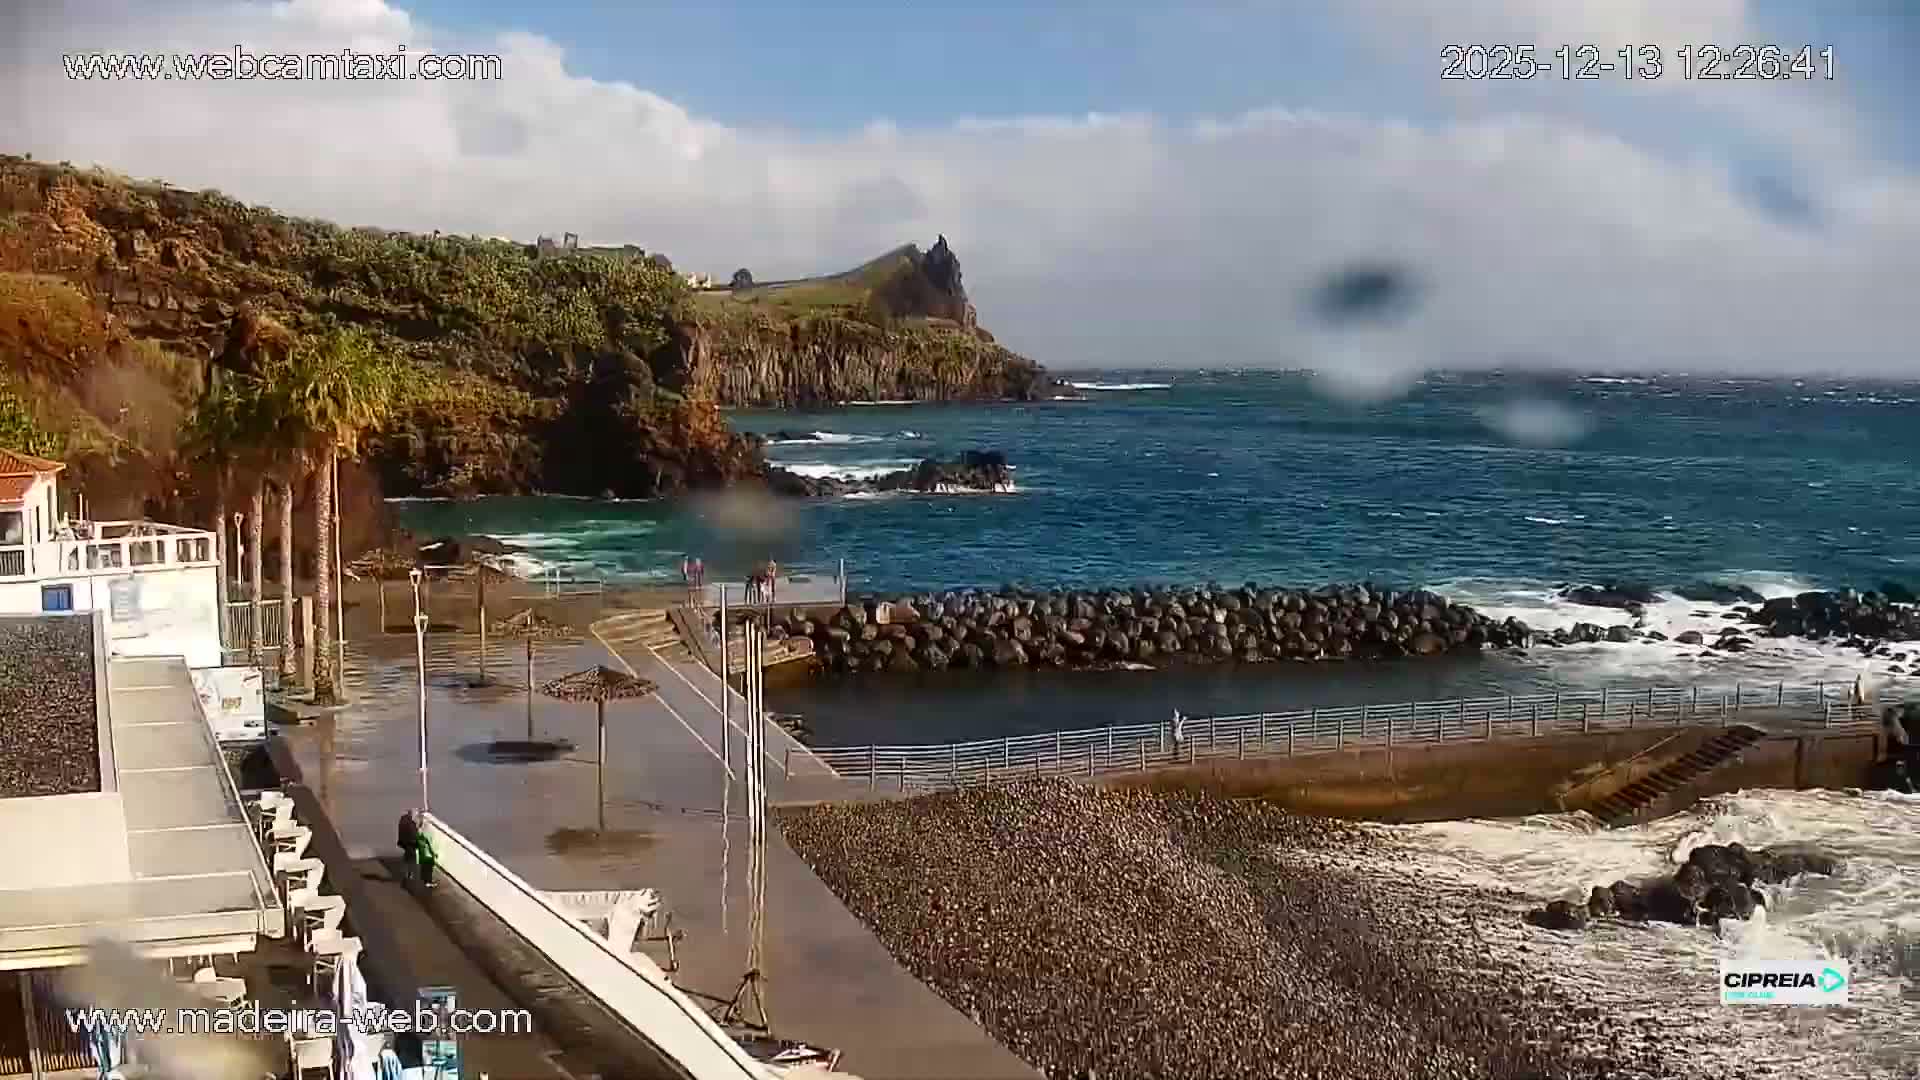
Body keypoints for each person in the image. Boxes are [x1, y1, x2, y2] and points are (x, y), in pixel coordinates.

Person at [396, 809, 419, 884]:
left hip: (405, 842)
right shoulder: (410, 823)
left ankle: (407, 873)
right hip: (410, 843)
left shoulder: (403, 821)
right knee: (411, 859)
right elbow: (414, 833)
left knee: (407, 858)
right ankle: (408, 874)